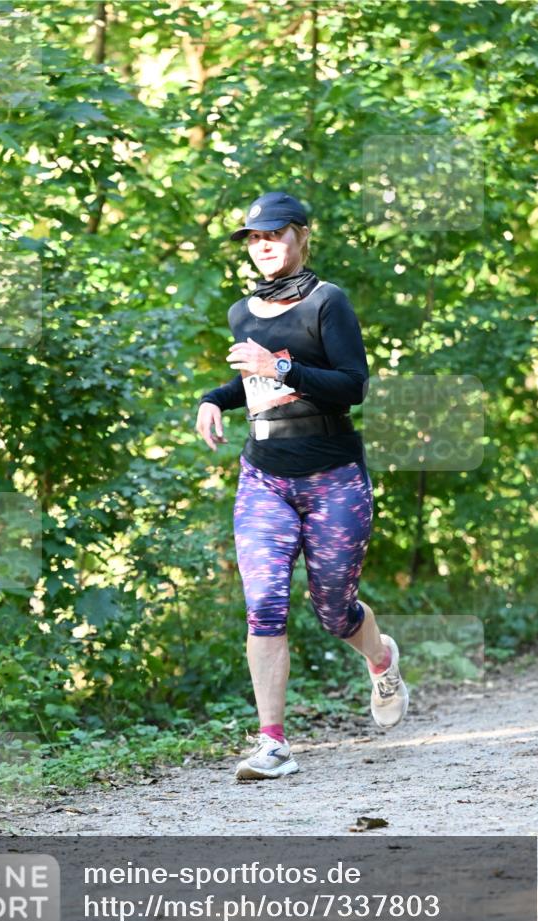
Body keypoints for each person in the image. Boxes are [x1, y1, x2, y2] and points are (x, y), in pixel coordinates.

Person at [195, 191, 408, 781]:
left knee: (333, 611)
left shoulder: (327, 303)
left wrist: (279, 367)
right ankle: (272, 745)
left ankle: (381, 657)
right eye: (254, 239)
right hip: (263, 475)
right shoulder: (242, 313)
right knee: (263, 605)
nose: (263, 246)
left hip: (333, 476)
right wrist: (216, 398)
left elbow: (352, 384)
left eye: (274, 235)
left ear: (300, 237)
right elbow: (253, 384)